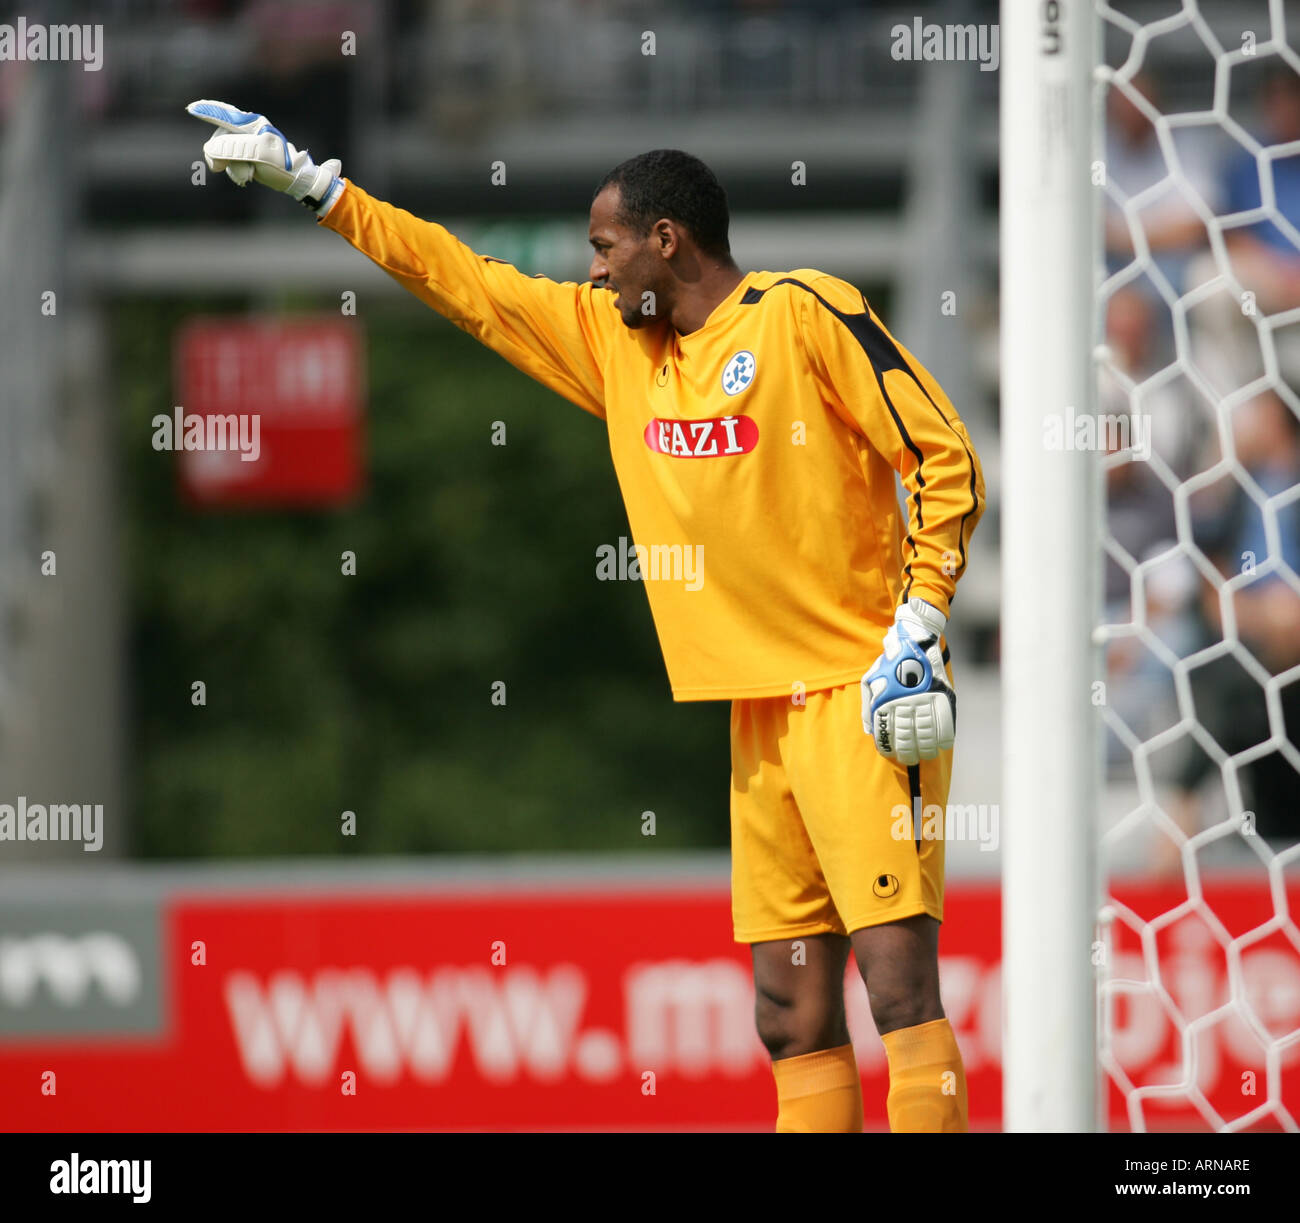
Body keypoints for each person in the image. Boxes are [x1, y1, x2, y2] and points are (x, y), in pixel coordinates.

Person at [185, 100, 986, 1133]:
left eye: (606, 249)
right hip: (755, 714)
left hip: (861, 691)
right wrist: (320, 189)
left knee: (896, 989)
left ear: (667, 239)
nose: (595, 273)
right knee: (788, 1016)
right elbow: (467, 283)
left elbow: (940, 451)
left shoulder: (802, 313)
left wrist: (918, 623)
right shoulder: (618, 351)